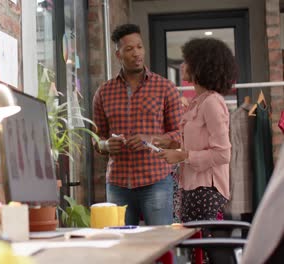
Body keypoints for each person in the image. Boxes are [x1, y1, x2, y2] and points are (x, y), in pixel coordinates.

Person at [92, 23, 183, 225]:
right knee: (123, 249)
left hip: (156, 181)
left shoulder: (165, 88)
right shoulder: (103, 92)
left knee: (160, 245)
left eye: (139, 47)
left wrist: (152, 139)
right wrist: (106, 145)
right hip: (118, 184)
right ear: (118, 55)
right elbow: (96, 139)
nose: (136, 53)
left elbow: (180, 135)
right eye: (129, 49)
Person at [156, 37, 237, 223]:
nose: (183, 65)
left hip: (207, 192)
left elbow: (223, 154)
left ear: (201, 66)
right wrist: (172, 144)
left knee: (205, 248)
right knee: (195, 248)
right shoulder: (197, 102)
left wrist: (182, 156)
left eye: (187, 61)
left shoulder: (212, 103)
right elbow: (201, 143)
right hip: (193, 189)